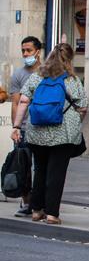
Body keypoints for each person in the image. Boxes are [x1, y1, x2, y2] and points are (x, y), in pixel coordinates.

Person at [10, 44, 86, 226]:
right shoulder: (71, 80)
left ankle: (36, 210)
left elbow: (23, 100)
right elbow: (82, 106)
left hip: (37, 132)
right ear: (69, 60)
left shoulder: (37, 76)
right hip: (63, 134)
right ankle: (52, 214)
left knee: (40, 170)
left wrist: (16, 126)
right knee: (56, 173)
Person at [8, 35, 42, 217]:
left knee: (40, 167)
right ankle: (27, 201)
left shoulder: (46, 72)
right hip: (24, 127)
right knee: (23, 166)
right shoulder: (19, 75)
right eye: (23, 51)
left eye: (28, 50)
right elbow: (15, 103)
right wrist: (16, 127)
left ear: (38, 51)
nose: (25, 54)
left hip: (42, 127)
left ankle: (38, 202)